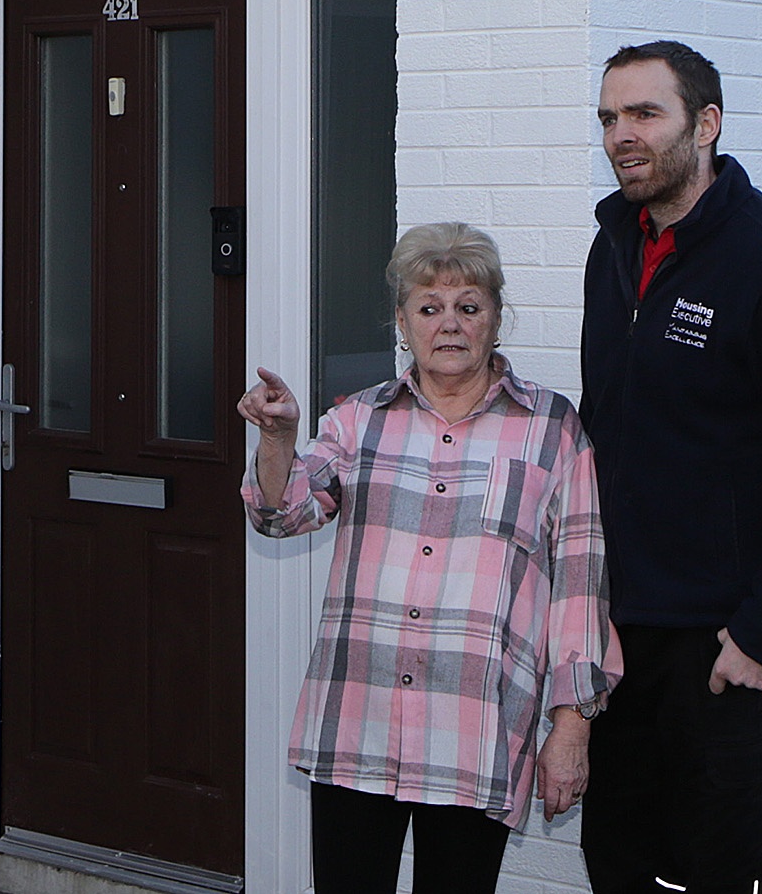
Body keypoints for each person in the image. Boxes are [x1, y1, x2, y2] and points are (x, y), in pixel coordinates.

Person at [240, 222, 620, 894]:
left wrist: (572, 730)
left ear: (497, 319)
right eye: (429, 307)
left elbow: (579, 590)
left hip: (477, 731)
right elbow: (283, 514)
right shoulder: (358, 420)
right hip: (359, 723)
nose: (450, 324)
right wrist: (278, 441)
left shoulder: (552, 429)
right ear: (402, 321)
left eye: (468, 307)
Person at [579, 41, 762, 894]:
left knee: (717, 872)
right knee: (624, 865)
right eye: (608, 117)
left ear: (706, 124)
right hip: (623, 635)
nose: (621, 136)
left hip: (725, 645)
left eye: (645, 114)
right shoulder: (615, 250)